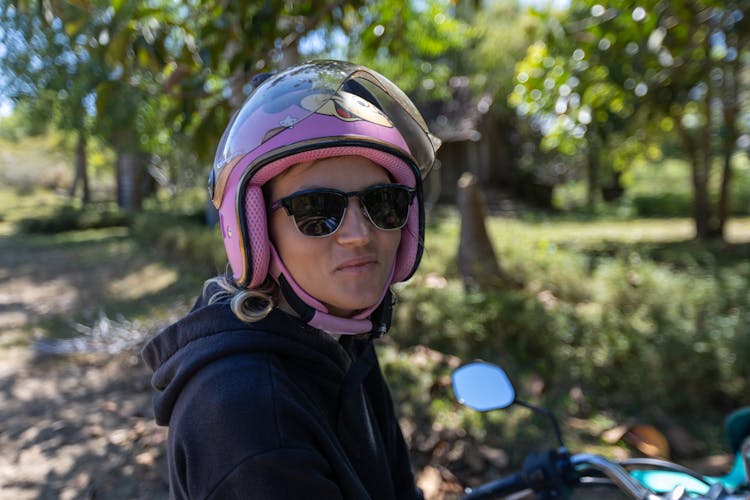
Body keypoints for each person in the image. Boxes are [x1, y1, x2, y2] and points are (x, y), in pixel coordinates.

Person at [141, 60, 441, 499]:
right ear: (253, 229)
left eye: (384, 203)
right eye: (317, 210)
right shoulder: (250, 418)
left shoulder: (344, 338)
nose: (360, 235)